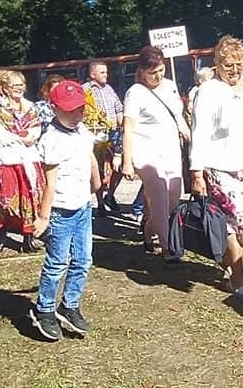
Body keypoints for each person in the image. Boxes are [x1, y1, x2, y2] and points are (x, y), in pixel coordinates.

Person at [189, 35, 243, 301]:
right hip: (222, 166)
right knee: (231, 221)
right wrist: (196, 172)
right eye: (229, 65)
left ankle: (224, 259)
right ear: (217, 63)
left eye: (239, 64)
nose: (235, 70)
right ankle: (238, 279)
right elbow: (199, 132)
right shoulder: (209, 91)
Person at [29, 80, 101, 341]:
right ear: (54, 108)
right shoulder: (52, 140)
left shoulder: (82, 132)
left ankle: (70, 305)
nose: (75, 115)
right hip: (61, 211)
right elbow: (50, 183)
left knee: (83, 260)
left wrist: (96, 182)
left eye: (79, 109)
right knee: (57, 262)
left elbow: (90, 157)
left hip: (82, 206)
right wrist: (43, 217)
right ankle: (44, 309)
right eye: (69, 110)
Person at [120, 46, 189, 260]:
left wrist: (189, 135)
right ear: (142, 71)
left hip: (170, 149)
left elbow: (177, 116)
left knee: (173, 198)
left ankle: (150, 228)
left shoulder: (170, 86)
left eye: (161, 70)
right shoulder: (135, 93)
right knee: (159, 194)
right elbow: (128, 129)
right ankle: (168, 247)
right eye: (153, 72)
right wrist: (126, 161)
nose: (158, 76)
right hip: (146, 151)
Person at [0, 71, 44, 253]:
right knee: (8, 198)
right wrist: (19, 138)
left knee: (30, 196)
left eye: (21, 85)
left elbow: (36, 128)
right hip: (8, 159)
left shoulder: (30, 107)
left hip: (29, 157)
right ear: (5, 88)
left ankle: (28, 237)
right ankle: (1, 234)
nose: (19, 88)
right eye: (15, 85)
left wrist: (31, 137)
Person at [83, 60, 125, 213]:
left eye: (106, 72)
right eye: (102, 72)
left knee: (120, 165)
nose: (106, 75)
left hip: (113, 133)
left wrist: (122, 126)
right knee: (99, 168)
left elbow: (118, 109)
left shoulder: (109, 89)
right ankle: (100, 203)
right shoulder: (85, 90)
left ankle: (110, 194)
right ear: (92, 74)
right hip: (96, 135)